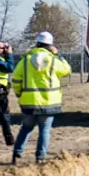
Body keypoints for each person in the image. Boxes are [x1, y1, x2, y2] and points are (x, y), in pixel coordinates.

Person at [11, 32, 72, 164]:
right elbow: (67, 70)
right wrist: (58, 55)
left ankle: (17, 154)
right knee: (44, 131)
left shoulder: (25, 60)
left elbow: (15, 79)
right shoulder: (53, 60)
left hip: (28, 102)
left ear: (37, 44)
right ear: (50, 45)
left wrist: (19, 93)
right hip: (48, 102)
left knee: (26, 128)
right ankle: (40, 157)